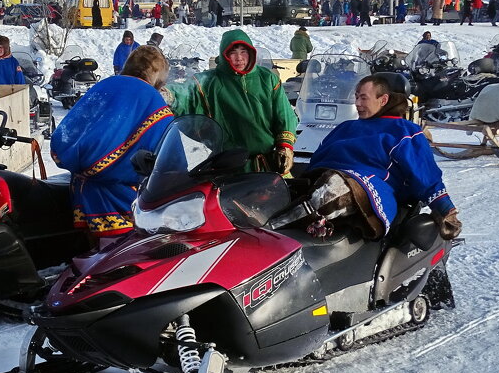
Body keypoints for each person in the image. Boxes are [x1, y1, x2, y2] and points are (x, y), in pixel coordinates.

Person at [289, 74, 461, 241]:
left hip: (364, 188)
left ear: (383, 100)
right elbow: (318, 158)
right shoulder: (345, 127)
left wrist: (445, 208)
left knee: (335, 187)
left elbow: (424, 172)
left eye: (364, 98)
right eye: (356, 97)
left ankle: (285, 221)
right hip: (324, 179)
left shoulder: (403, 130)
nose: (357, 103)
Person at [51, 45, 175, 241]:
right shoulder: (150, 98)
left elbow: (68, 132)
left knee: (94, 251)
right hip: (121, 195)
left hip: (83, 190)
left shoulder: (104, 85)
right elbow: (167, 146)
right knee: (124, 256)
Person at [165, 29, 297, 174]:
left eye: (243, 51)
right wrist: (167, 94)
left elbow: (284, 115)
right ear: (224, 55)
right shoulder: (209, 81)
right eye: (233, 52)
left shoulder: (267, 78)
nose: (239, 58)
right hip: (229, 168)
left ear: (251, 53)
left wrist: (285, 147)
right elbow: (185, 92)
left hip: (268, 165)